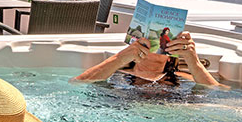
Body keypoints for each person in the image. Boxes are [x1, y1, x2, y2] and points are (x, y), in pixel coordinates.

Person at [73, 31, 222, 87]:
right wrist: (120, 58)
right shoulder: (117, 75)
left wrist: (194, 61)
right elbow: (77, 84)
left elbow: (217, 95)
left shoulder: (184, 78)